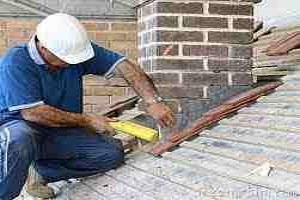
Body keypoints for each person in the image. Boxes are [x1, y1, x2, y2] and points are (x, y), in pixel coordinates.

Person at [0, 13, 175, 199]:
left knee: (110, 154)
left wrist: (153, 101)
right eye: (65, 59)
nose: (71, 63)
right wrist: (88, 120)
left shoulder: (76, 52)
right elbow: (33, 113)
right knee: (19, 139)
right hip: (20, 127)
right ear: (44, 48)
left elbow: (124, 65)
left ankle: (43, 172)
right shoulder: (16, 61)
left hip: (59, 128)